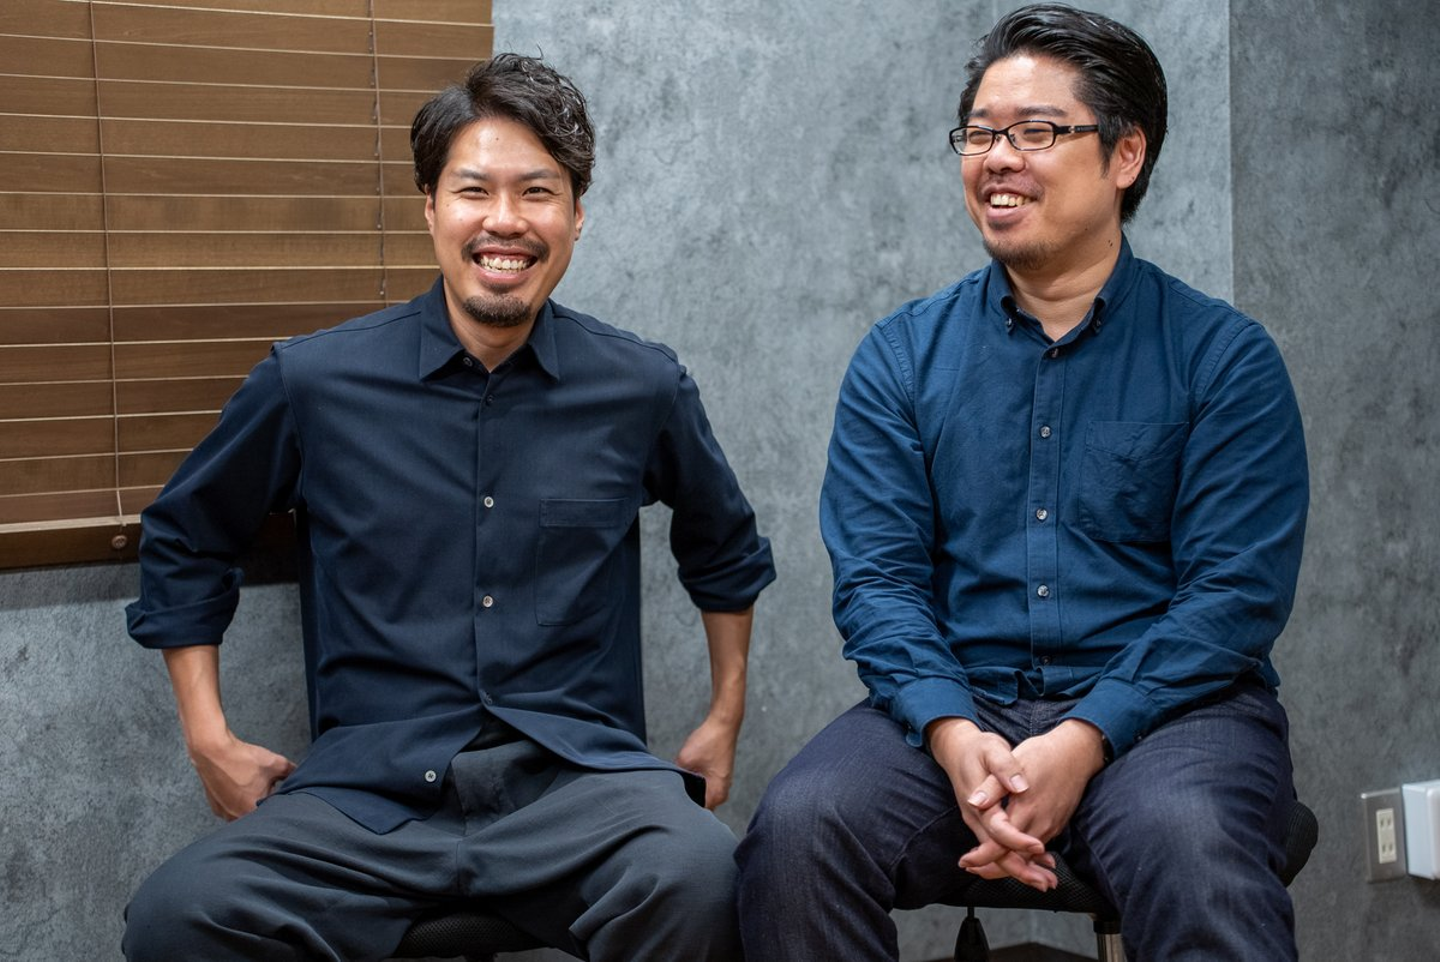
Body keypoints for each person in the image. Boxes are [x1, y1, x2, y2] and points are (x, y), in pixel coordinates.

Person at [122, 53, 774, 962]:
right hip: (366, 800)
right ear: (430, 207)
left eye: (537, 192)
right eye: (474, 190)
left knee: (705, 876)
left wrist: (723, 716)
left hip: (581, 788)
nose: (505, 221)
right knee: (180, 916)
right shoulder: (315, 381)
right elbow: (187, 538)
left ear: (576, 215)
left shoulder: (641, 385)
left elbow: (724, 548)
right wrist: (209, 738)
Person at [735, 5, 1307, 960]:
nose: (998, 159)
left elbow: (1234, 596)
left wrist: (1084, 738)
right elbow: (878, 582)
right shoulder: (902, 358)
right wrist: (956, 735)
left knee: (1191, 844)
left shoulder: (1223, 358)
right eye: (981, 134)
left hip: (1175, 714)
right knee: (801, 829)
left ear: (1126, 155)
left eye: (1036, 132)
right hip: (959, 706)